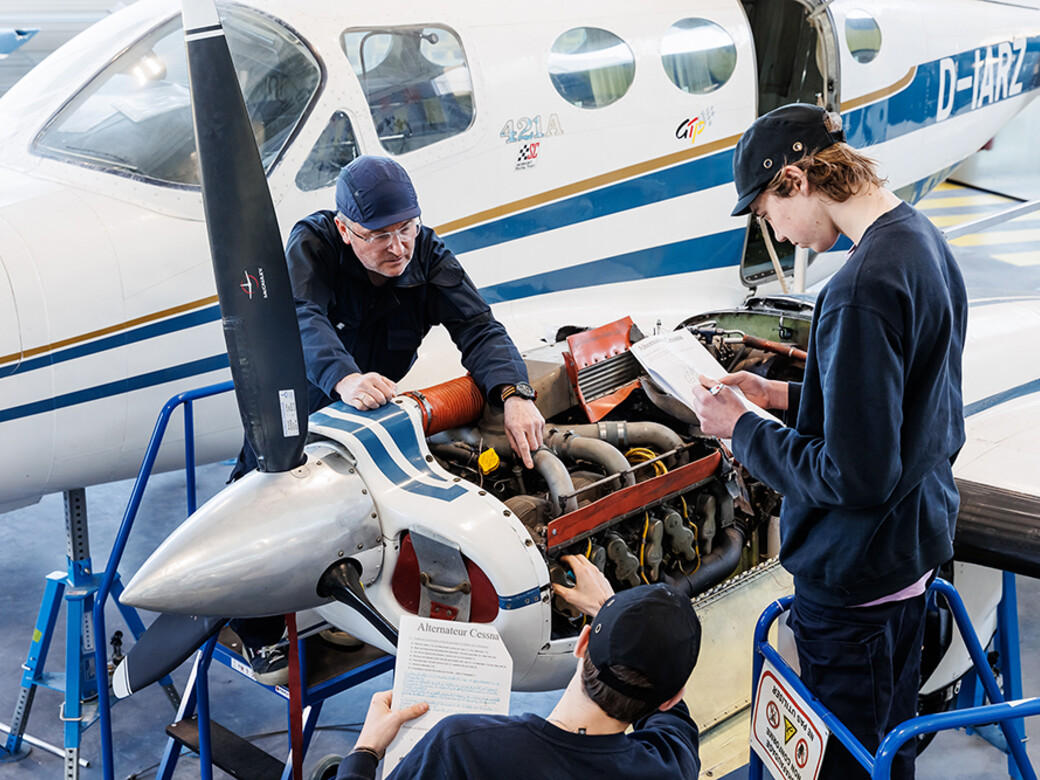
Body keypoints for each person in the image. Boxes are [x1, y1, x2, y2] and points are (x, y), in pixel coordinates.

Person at [689, 103, 967, 779]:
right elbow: (903, 401)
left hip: (857, 588)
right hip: (910, 554)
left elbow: (853, 475)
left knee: (845, 764)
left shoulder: (859, 289)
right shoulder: (920, 241)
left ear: (793, 180)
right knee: (885, 746)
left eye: (765, 211)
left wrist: (742, 430)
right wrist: (780, 396)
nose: (775, 233)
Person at [232, 154, 545, 684]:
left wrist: (514, 393)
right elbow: (300, 316)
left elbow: (478, 326)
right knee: (261, 502)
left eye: (407, 228)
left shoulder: (428, 256)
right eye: (380, 235)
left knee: (364, 511)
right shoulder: (313, 245)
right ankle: (255, 630)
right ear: (345, 230)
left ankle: (352, 601)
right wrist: (343, 378)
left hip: (372, 408)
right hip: (304, 395)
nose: (398, 247)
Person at [335, 554, 702, 780]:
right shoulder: (671, 767)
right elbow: (675, 727)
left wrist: (364, 754)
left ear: (583, 642)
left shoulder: (463, 747)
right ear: (671, 699)